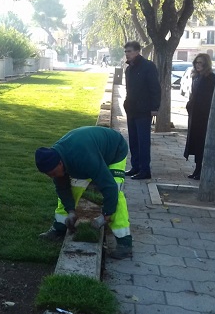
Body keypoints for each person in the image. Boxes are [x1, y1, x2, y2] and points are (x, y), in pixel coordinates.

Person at [35, 126, 133, 260]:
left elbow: (109, 187)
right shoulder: (54, 158)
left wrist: (106, 215)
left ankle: (124, 243)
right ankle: (59, 228)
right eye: (48, 175)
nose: (52, 176)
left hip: (115, 150)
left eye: (52, 173)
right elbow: (63, 190)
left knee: (116, 194)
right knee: (70, 190)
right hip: (84, 156)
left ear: (60, 164)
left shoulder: (86, 158)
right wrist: (71, 210)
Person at [122, 41, 161, 180]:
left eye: (130, 51)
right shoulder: (129, 69)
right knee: (133, 139)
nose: (127, 54)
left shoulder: (148, 66)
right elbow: (129, 89)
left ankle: (145, 170)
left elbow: (155, 88)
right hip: (131, 109)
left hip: (144, 110)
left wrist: (155, 108)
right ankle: (135, 166)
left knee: (143, 141)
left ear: (138, 51)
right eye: (126, 51)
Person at [184, 53, 215, 180]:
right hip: (195, 116)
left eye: (201, 63)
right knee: (196, 143)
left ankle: (201, 170)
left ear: (206, 64)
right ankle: (197, 169)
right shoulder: (196, 77)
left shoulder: (211, 78)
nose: (198, 65)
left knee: (202, 144)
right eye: (196, 62)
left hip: (205, 116)